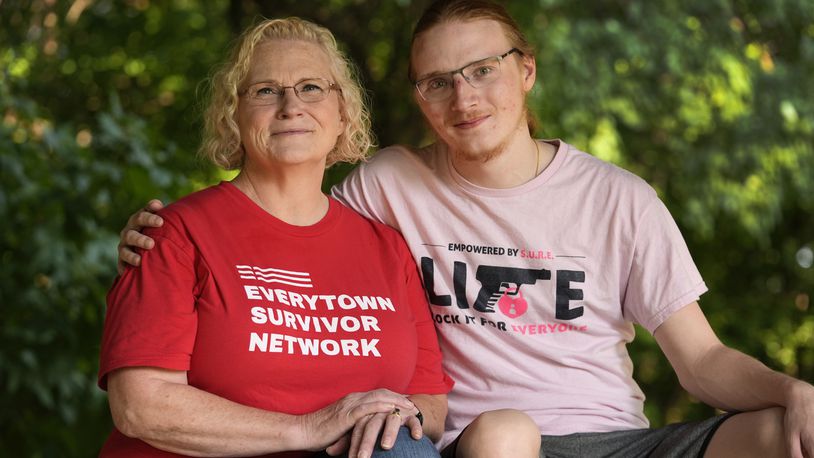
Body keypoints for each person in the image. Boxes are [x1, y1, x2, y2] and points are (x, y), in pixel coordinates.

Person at [117, 1, 814, 457]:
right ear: (418, 96)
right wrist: (162, 236)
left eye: (483, 70)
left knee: (792, 435)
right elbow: (281, 212)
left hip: (618, 440)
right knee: (508, 435)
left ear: (527, 71)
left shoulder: (619, 199)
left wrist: (792, 391)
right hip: (487, 442)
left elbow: (702, 363)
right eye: (439, 81)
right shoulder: (387, 187)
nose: (465, 96)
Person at [98, 17, 455, 458]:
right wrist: (307, 428)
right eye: (266, 91)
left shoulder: (387, 248)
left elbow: (430, 404)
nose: (291, 106)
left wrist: (395, 419)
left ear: (342, 114)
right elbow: (140, 406)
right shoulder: (175, 235)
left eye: (311, 88)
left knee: (402, 444)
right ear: (233, 114)